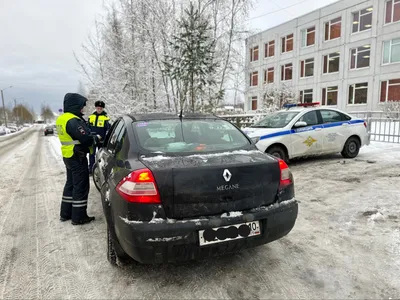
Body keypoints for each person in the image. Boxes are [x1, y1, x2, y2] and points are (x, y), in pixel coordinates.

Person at [56, 93, 101, 225]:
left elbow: (76, 135)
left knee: (70, 185)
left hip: (68, 155)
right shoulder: (73, 120)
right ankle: (79, 216)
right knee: (80, 186)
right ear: (75, 105)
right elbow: (85, 138)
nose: (82, 109)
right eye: (81, 106)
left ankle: (66, 213)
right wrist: (96, 138)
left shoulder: (62, 119)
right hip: (77, 156)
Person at [88, 100, 111, 174]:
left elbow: (108, 129)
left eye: (100, 109)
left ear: (103, 109)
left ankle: (101, 169)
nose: (99, 110)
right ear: (95, 108)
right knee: (91, 154)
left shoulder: (105, 118)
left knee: (101, 155)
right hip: (92, 139)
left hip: (102, 140)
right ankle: (91, 168)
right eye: (98, 108)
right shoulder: (91, 117)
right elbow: (88, 127)